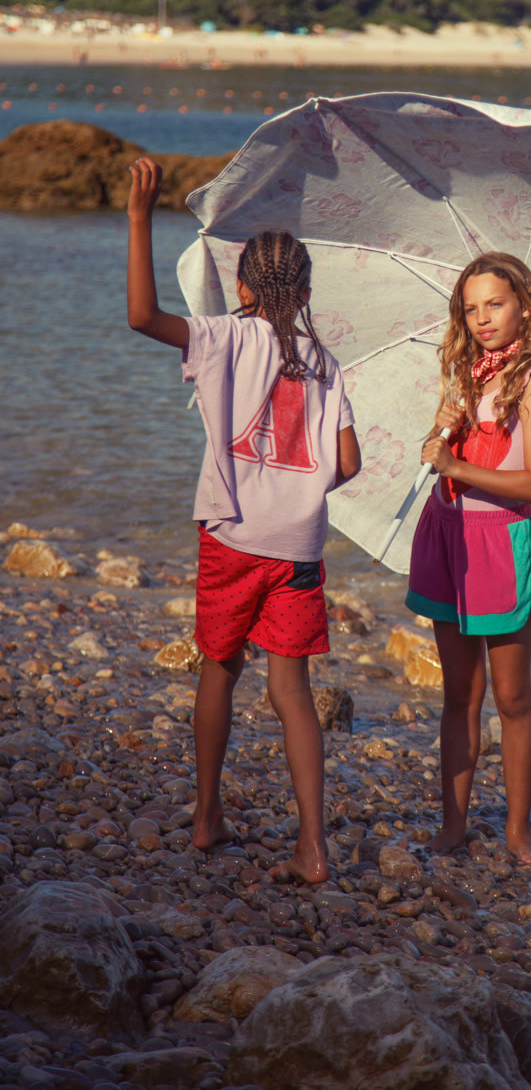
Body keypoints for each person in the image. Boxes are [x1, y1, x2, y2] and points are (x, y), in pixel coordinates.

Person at [126, 157, 361, 883]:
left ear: (243, 287)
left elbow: (141, 317)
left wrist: (139, 219)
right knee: (292, 694)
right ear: (307, 293)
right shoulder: (326, 362)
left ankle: (206, 817)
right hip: (297, 547)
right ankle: (313, 847)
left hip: (231, 536)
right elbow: (348, 464)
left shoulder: (223, 337)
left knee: (219, 672)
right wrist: (303, 488)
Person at [406, 252, 531, 863]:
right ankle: (453, 826)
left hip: (501, 542)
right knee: (459, 693)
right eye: (471, 308)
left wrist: (455, 463)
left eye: (495, 304)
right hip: (448, 535)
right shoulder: (472, 374)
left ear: (524, 307)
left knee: (511, 695)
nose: (482, 318)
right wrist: (440, 434)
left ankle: (518, 831)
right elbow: (448, 462)